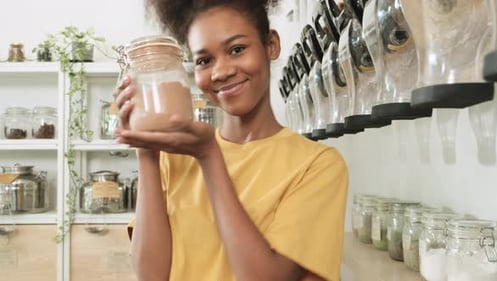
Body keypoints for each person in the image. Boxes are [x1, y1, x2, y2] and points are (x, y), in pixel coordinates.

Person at [113, 0, 348, 280]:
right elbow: (151, 275)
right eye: (204, 60)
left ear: (271, 45)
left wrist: (210, 157)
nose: (221, 71)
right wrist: (147, 154)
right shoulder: (174, 158)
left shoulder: (317, 166)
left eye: (237, 50)